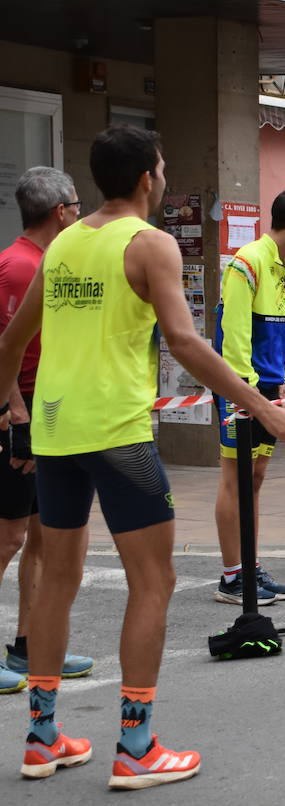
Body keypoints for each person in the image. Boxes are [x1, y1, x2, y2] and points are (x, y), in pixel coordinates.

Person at [0, 124, 285, 788]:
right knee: (154, 581)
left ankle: (41, 737)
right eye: (165, 167)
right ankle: (137, 747)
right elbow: (184, 341)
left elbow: (11, 340)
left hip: (55, 434)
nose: (166, 177)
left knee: (57, 581)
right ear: (148, 177)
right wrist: (263, 407)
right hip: (117, 435)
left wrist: (10, 412)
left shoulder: (61, 247)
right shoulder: (150, 244)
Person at [0, 168, 93, 694]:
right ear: (60, 211)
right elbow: (4, 348)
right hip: (21, 411)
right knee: (7, 537)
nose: (80, 214)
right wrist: (17, 416)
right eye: (77, 206)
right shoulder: (19, 266)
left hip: (44, 408)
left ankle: (28, 646)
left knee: (38, 537)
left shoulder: (47, 262)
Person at [212, 187, 285, 605]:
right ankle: (231, 577)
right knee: (234, 478)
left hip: (270, 386)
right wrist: (244, 391)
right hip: (243, 388)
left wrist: (283, 378)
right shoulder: (247, 262)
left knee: (254, 480)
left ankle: (250, 566)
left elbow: (274, 328)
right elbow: (235, 334)